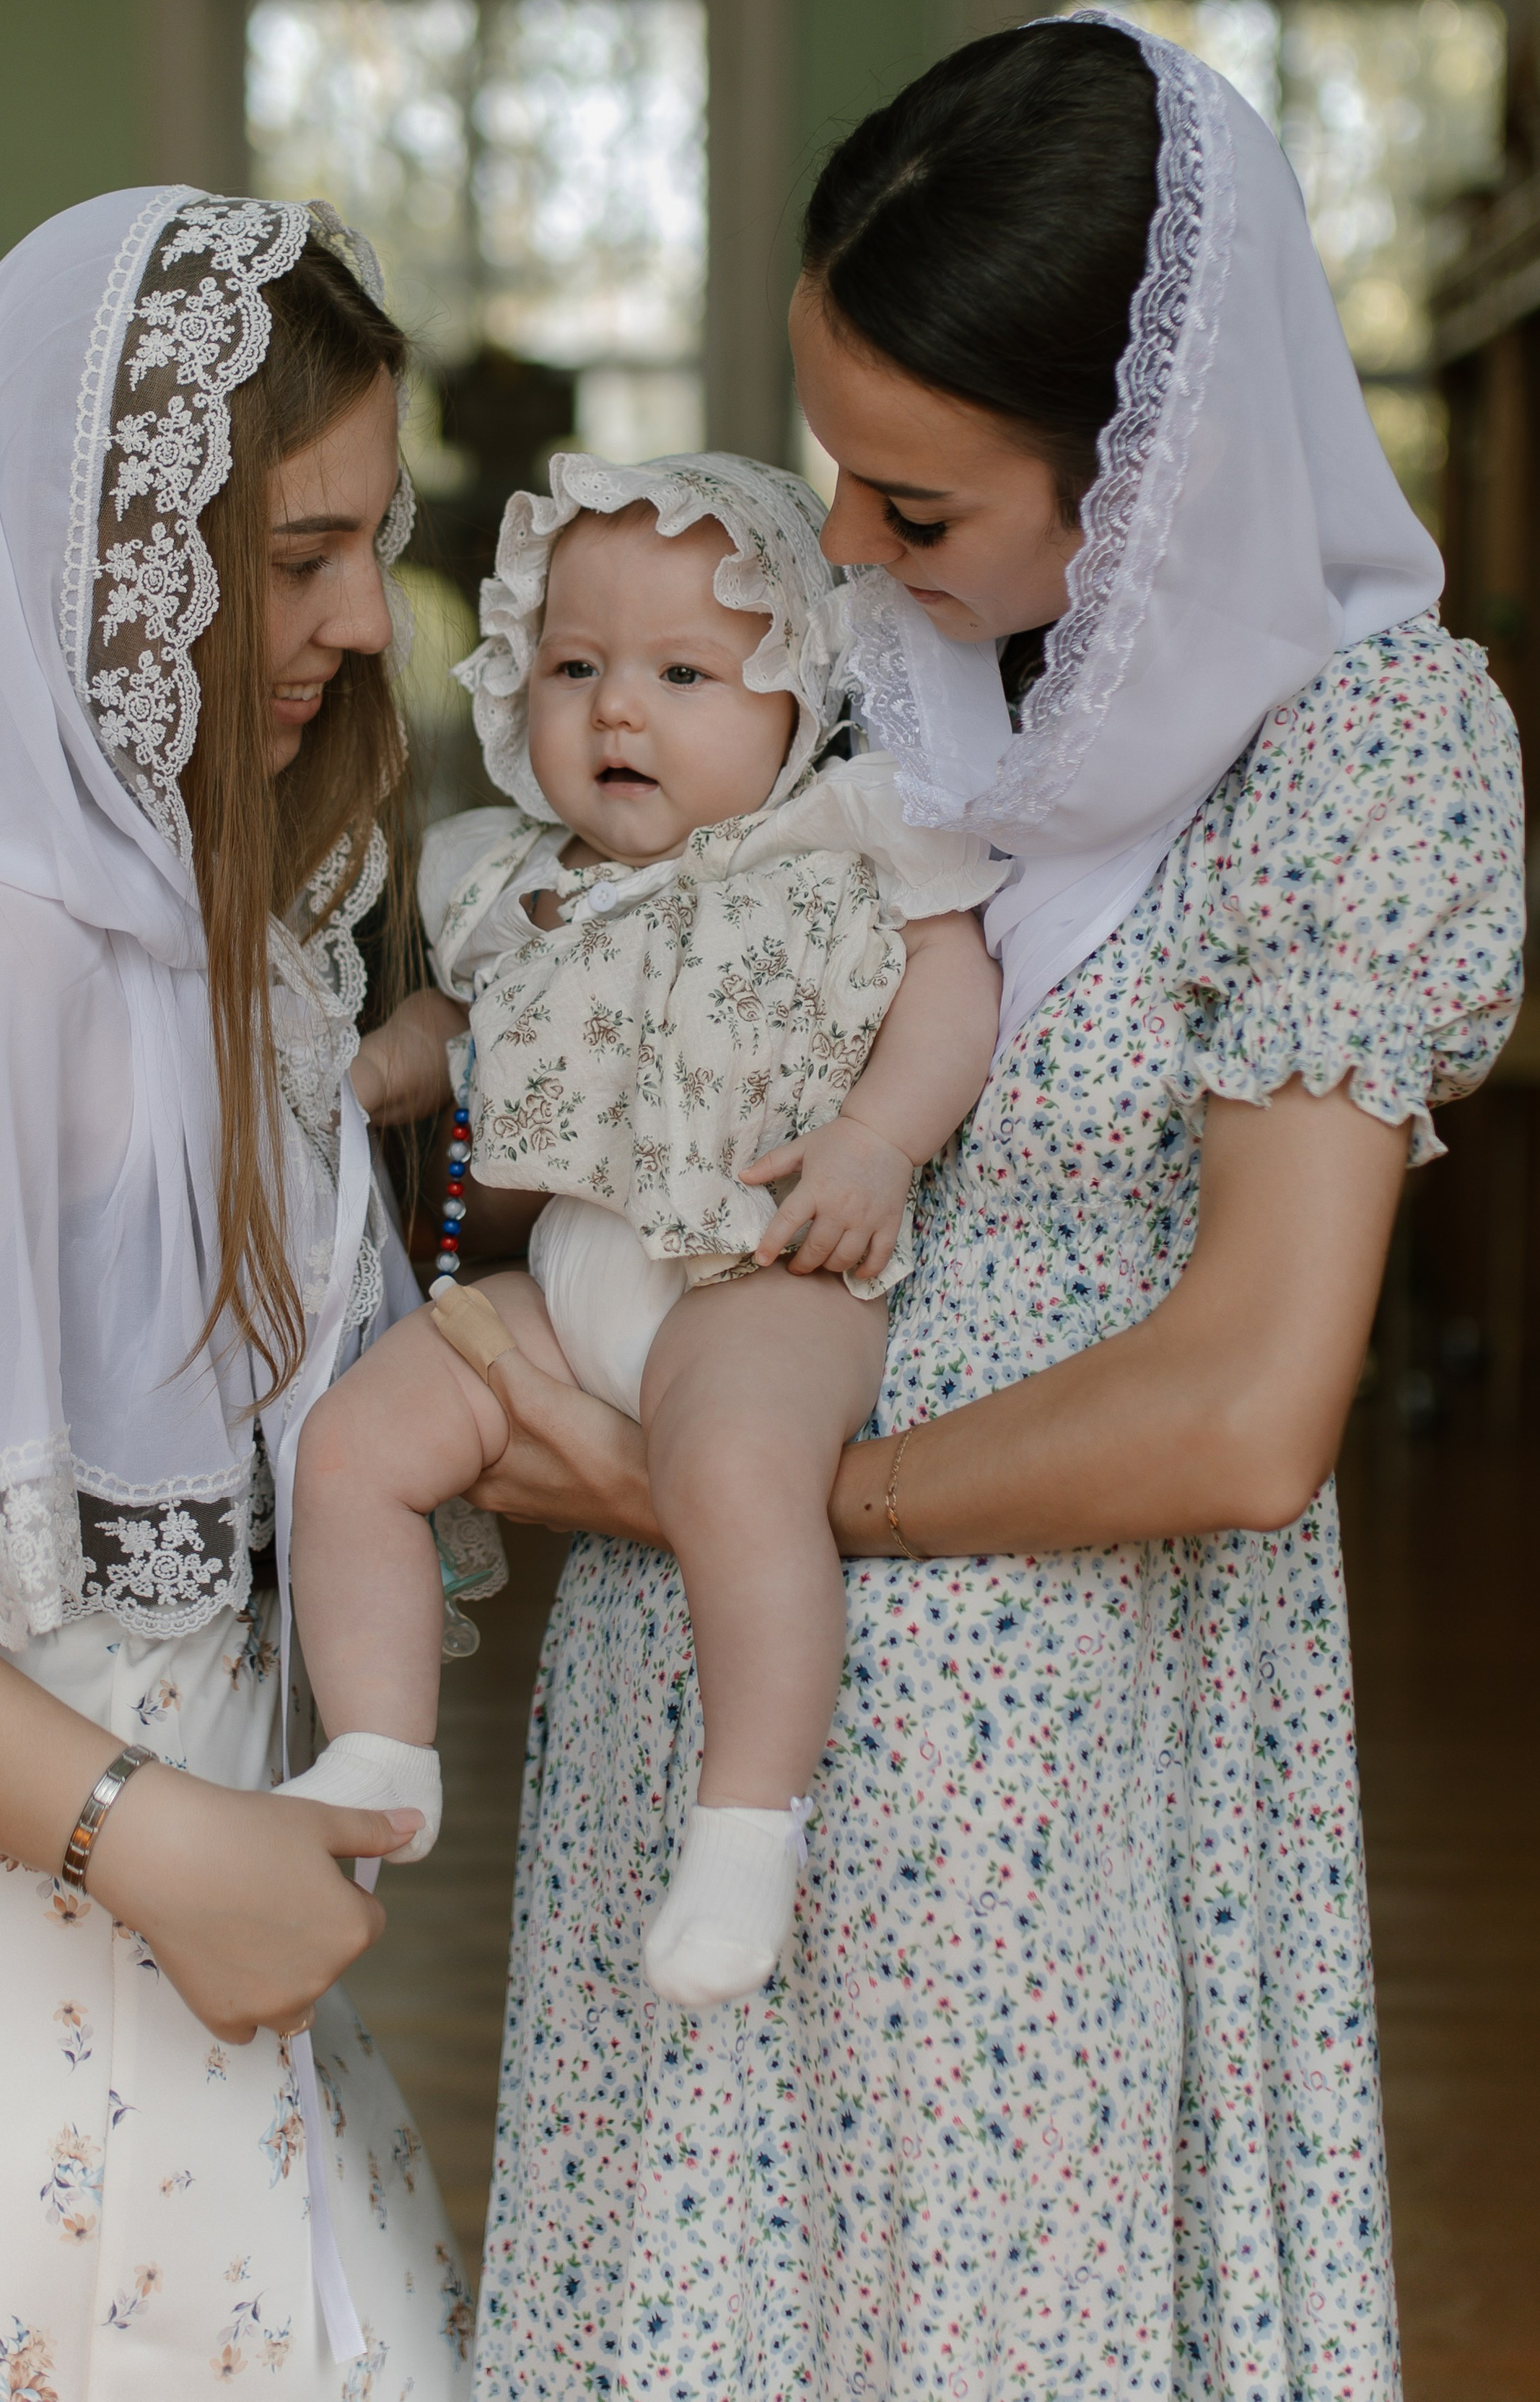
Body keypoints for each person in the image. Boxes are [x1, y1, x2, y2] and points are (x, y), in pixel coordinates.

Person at [455, 18, 1526, 2396]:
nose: (842, 548)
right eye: (841, 476)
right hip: (696, 1712)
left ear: (1155, 472)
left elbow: (1249, 1410)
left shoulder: (1358, 747)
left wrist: (741, 1494)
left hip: (1043, 1781)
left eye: (915, 506)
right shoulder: (879, 704)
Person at [0, 190, 478, 2395]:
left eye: (375, 544)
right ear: (108, 553)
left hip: (218, 1926)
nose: (362, 617)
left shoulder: (220, 931)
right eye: (298, 555)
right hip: (9, 1945)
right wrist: (157, 1848)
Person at [282, 455, 1003, 2009]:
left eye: (682, 672)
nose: (617, 711)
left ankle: (748, 1822)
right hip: (569, 1282)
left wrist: (878, 1139)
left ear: (793, 699)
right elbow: (446, 1022)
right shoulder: (511, 884)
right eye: (574, 667)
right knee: (350, 1447)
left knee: (739, 1471)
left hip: (761, 1271)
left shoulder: (842, 843)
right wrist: (358, 1074)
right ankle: (378, 1748)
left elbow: (951, 985)